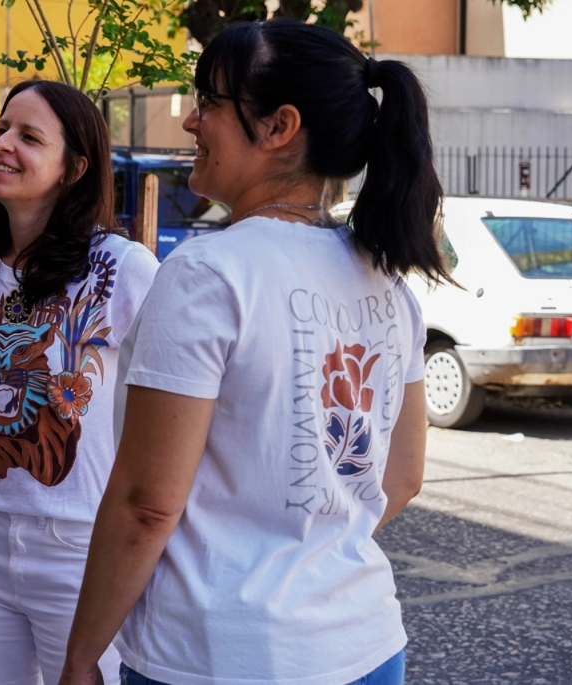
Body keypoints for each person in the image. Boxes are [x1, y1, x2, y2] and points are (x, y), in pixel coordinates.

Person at [59, 19, 450, 685]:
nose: (189, 121)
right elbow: (403, 476)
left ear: (278, 127)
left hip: (220, 656)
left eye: (209, 103)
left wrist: (78, 655)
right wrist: (307, 565)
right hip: (366, 643)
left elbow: (147, 502)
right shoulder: (387, 283)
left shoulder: (210, 275)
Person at [0, 79, 159, 685]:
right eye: (3, 128)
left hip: (84, 548)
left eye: (29, 137)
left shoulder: (122, 269)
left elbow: (173, 405)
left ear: (74, 168)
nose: (3, 144)